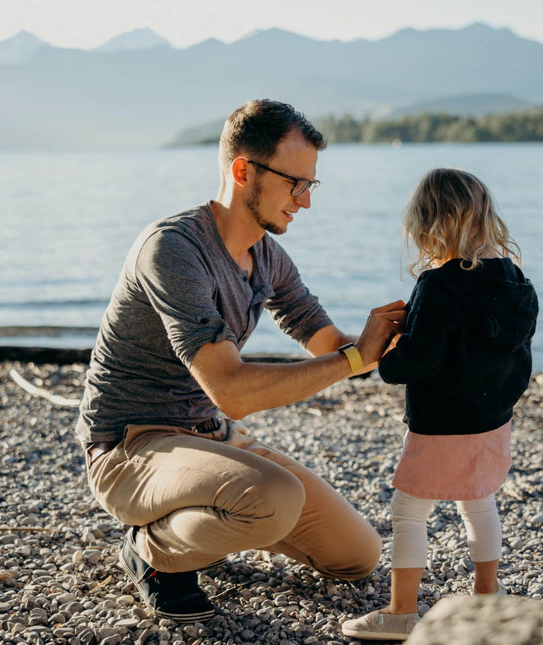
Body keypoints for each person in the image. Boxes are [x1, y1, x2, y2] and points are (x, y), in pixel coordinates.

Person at [75, 99, 406, 624]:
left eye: (310, 186)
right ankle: (153, 552)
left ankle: (210, 521)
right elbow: (231, 391)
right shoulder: (174, 250)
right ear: (243, 170)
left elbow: (329, 344)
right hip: (131, 445)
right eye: (296, 183)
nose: (305, 202)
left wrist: (402, 335)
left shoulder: (267, 257)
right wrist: (351, 359)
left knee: (356, 556)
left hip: (209, 438)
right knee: (274, 496)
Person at [341, 168, 539, 641]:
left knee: (409, 513)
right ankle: (487, 596)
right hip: (493, 420)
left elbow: (418, 363)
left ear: (433, 225)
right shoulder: (516, 280)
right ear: (484, 218)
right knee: (480, 502)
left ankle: (402, 612)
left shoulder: (439, 284)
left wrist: (388, 355)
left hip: (440, 425)